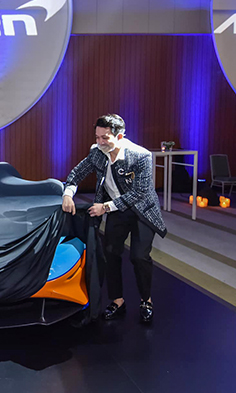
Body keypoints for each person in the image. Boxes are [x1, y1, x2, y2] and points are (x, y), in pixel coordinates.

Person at [62, 114, 166, 323]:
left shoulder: (141, 155)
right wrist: (67, 194)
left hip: (142, 210)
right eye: (97, 137)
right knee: (110, 253)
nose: (100, 142)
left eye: (105, 138)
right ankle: (117, 300)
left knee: (139, 256)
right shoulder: (97, 152)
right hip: (115, 211)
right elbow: (76, 174)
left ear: (119, 136)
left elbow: (139, 193)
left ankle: (146, 300)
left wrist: (105, 207)